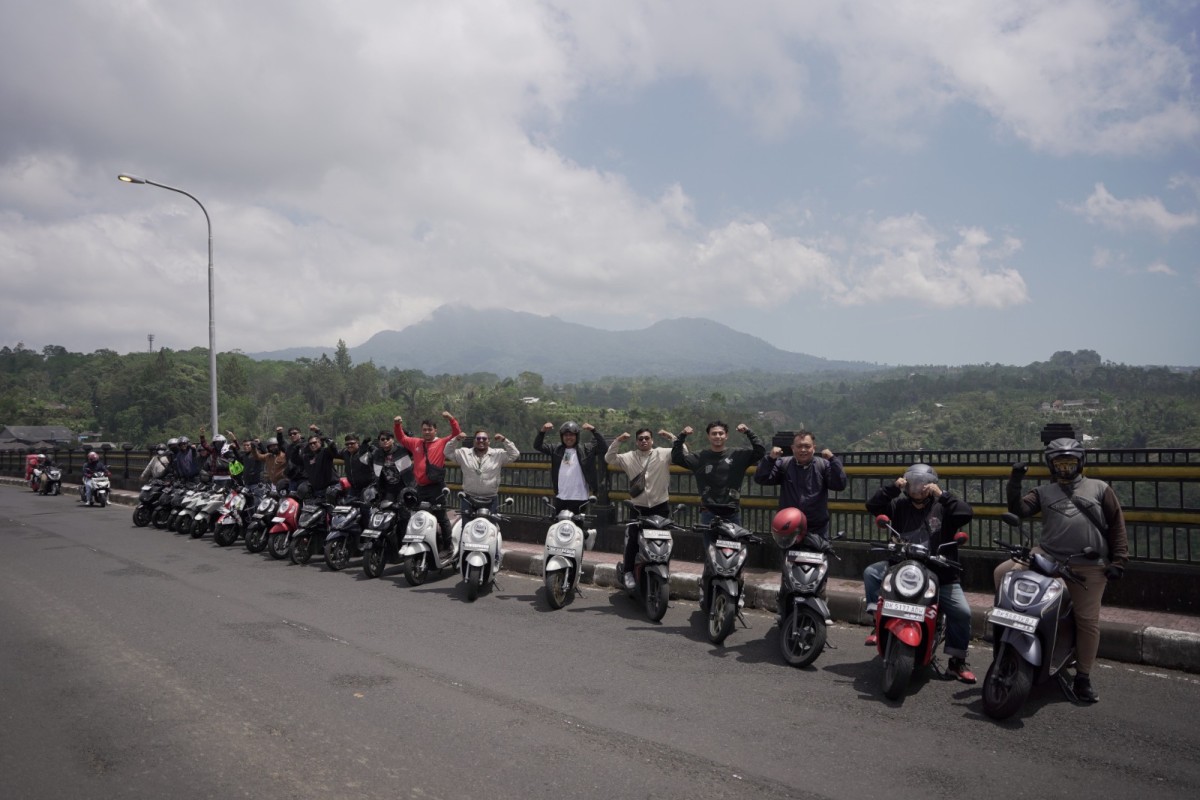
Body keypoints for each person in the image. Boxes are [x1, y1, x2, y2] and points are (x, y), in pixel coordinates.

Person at [998, 437, 1129, 703]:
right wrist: (1015, 480)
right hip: (1045, 557)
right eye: (1060, 464)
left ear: (1081, 463)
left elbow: (1116, 525)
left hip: (1087, 565)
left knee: (1088, 621)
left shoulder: (1100, 488)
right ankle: (1007, 634)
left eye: (1070, 463)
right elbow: (1019, 509)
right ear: (1051, 465)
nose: (1065, 469)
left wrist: (1118, 562)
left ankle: (1083, 677)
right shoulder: (1043, 492)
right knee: (1002, 574)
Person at [862, 463, 977, 683]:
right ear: (906, 484)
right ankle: (877, 624)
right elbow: (872, 505)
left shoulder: (943, 507)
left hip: (940, 571)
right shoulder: (899, 505)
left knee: (962, 612)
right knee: (871, 573)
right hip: (903, 568)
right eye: (913, 483)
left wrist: (942, 495)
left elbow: (966, 513)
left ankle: (956, 662)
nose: (918, 488)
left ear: (932, 485)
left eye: (923, 484)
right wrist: (892, 488)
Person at [606, 428, 677, 590]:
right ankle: (628, 572)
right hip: (638, 508)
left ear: (652, 440)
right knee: (633, 541)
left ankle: (664, 573)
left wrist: (671, 437)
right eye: (640, 439)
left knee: (665, 543)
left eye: (647, 438)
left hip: (660, 507)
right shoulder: (629, 457)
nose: (644, 441)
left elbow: (682, 454)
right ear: (636, 442)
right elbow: (609, 458)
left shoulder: (663, 453)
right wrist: (618, 441)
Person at [754, 431, 847, 540]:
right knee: (789, 557)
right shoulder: (784, 464)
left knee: (818, 556)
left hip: (817, 528)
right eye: (799, 446)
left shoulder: (823, 465)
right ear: (793, 448)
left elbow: (840, 484)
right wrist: (770, 459)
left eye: (807, 446)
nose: (803, 450)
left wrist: (833, 459)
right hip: (789, 527)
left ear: (814, 448)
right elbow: (761, 478)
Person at [671, 420, 765, 525]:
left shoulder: (738, 455)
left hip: (731, 510)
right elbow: (676, 458)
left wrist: (748, 432)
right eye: (714, 433)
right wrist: (682, 435)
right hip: (708, 511)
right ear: (709, 436)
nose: (717, 436)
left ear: (726, 436)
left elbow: (760, 452)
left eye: (721, 433)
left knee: (733, 541)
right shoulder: (699, 457)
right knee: (710, 542)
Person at [394, 411, 461, 551]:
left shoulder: (442, 442)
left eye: (430, 429)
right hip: (420, 487)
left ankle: (447, 546)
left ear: (435, 430)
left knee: (441, 517)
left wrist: (450, 419)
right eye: (424, 429)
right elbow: (401, 438)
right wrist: (397, 424)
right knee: (416, 516)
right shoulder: (416, 443)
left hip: (436, 487)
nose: (427, 432)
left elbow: (456, 434)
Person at [534, 421, 607, 514]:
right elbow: (537, 446)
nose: (568, 438)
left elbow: (604, 447)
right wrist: (542, 431)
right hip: (561, 497)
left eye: (571, 435)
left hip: (580, 498)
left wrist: (593, 430)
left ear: (576, 436)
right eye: (566, 435)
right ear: (562, 437)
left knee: (577, 527)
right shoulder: (556, 449)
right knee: (558, 526)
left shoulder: (586, 449)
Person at [447, 429, 521, 512]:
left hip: (490, 498)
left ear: (489, 441)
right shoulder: (463, 453)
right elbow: (447, 452)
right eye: (478, 438)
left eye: (484, 439)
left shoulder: (498, 454)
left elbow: (515, 454)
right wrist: (456, 439)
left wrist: (504, 440)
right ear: (474, 441)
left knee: (490, 524)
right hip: (468, 498)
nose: (481, 440)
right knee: (467, 524)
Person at [371, 428, 414, 501]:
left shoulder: (401, 449)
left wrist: (407, 435)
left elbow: (411, 446)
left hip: (405, 486)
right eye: (382, 439)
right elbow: (367, 462)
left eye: (388, 438)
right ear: (379, 442)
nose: (385, 441)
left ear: (393, 440)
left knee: (405, 509)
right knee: (386, 508)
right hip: (389, 488)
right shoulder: (377, 454)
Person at [338, 433, 376, 499]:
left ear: (358, 443)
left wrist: (369, 447)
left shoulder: (365, 452)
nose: (349, 445)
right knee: (346, 506)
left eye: (352, 443)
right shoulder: (345, 453)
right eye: (347, 444)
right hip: (354, 488)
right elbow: (332, 452)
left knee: (366, 507)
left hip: (368, 487)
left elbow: (374, 455)